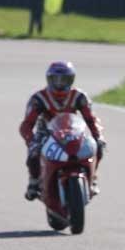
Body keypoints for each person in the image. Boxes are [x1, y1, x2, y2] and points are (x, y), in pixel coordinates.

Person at [19, 61, 106, 200]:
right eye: (56, 79)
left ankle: (92, 178)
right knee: (34, 153)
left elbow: (91, 119)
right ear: (49, 79)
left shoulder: (79, 96)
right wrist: (31, 140)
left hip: (73, 132)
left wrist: (98, 136)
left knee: (97, 146)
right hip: (46, 133)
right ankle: (34, 181)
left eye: (64, 80)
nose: (60, 83)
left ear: (71, 80)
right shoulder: (38, 98)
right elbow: (26, 125)